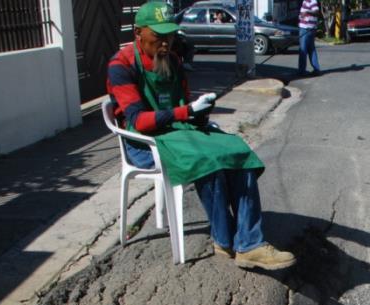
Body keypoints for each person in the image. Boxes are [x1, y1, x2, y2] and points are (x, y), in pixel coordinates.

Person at [107, 1, 295, 270]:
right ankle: (225, 238)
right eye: (158, 37)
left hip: (179, 132)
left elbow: (183, 102)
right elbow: (138, 121)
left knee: (236, 150)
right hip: (143, 143)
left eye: (170, 36)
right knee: (209, 161)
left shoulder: (172, 60)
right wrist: (185, 112)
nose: (165, 44)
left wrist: (200, 112)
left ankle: (249, 244)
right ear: (138, 33)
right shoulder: (121, 65)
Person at [298, 0, 321, 75]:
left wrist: (307, 12)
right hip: (307, 27)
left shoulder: (312, 1)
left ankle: (302, 71)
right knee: (311, 49)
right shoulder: (305, 1)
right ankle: (316, 69)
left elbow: (316, 12)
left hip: (307, 28)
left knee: (303, 49)